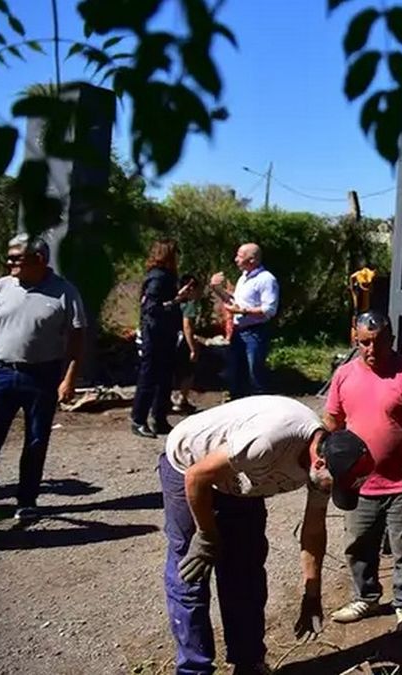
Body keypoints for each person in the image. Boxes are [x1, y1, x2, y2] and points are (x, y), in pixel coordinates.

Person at [159, 395, 374, 675]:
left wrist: (312, 593)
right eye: (334, 488)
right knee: (191, 572)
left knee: (245, 571)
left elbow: (312, 531)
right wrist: (206, 534)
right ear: (320, 464)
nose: (331, 493)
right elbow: (197, 477)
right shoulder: (268, 441)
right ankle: (194, 669)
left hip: (241, 481)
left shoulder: (324, 463)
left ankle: (248, 663)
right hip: (191, 465)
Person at [0, 234, 85, 521]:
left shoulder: (64, 291)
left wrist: (69, 378)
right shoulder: (1, 287)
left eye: (16, 258)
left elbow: (76, 337)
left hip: (42, 376)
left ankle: (26, 501)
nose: (9, 262)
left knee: (35, 441)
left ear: (39, 260)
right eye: (8, 257)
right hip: (1, 374)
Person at [323, 310, 402, 630]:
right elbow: (333, 422)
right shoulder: (344, 375)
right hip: (360, 484)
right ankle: (366, 595)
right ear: (355, 338)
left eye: (378, 343)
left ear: (391, 340)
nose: (371, 350)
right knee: (358, 543)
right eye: (364, 342)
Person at [132, 240, 194, 438]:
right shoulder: (157, 278)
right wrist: (176, 300)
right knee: (149, 377)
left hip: (165, 334)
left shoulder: (168, 276)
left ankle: (159, 418)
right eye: (175, 253)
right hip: (154, 334)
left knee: (165, 378)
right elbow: (151, 308)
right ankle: (138, 419)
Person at [210, 243, 278, 399]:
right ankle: (237, 403)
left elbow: (269, 310)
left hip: (255, 332)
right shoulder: (243, 278)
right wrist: (216, 288)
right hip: (238, 332)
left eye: (240, 256)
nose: (236, 259)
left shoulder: (266, 280)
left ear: (252, 260)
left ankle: (260, 408)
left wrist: (242, 311)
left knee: (254, 374)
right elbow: (235, 302)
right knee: (236, 372)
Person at [172, 274, 202, 415]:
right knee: (188, 372)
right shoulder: (190, 304)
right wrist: (193, 347)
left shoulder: (175, 303)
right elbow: (187, 326)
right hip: (183, 341)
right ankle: (181, 399)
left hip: (172, 340)